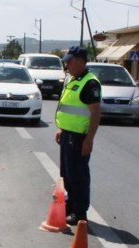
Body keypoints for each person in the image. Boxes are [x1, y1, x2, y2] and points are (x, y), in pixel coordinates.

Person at [54, 46, 101, 226]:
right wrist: (63, 129)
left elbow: (95, 113)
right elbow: (71, 109)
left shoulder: (90, 83)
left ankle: (80, 212)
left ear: (81, 61)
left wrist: (89, 139)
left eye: (70, 61)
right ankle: (70, 205)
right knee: (66, 174)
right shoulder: (74, 80)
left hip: (80, 137)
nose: (66, 64)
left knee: (77, 175)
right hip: (68, 134)